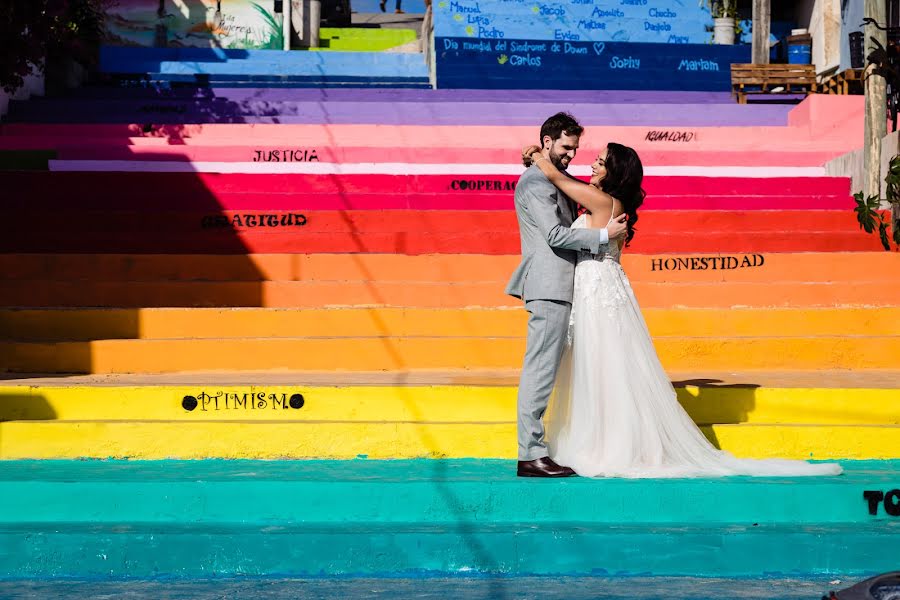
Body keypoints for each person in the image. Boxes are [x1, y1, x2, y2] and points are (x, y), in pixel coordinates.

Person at [521, 140, 843, 478]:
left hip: (597, 293)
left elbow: (558, 180)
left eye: (600, 162)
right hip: (596, 290)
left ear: (614, 174)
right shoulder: (606, 204)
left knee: (605, 366)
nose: (592, 165)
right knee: (600, 368)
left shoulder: (603, 201)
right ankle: (602, 438)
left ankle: (610, 445)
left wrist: (538, 156)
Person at [505, 112, 629, 478]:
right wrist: (605, 236)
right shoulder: (535, 185)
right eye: (565, 146)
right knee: (539, 371)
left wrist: (537, 159)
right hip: (549, 286)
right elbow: (556, 236)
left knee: (546, 371)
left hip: (563, 288)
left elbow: (566, 182)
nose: (572, 154)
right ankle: (531, 454)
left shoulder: (547, 176)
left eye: (575, 148)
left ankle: (540, 450)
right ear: (547, 141)